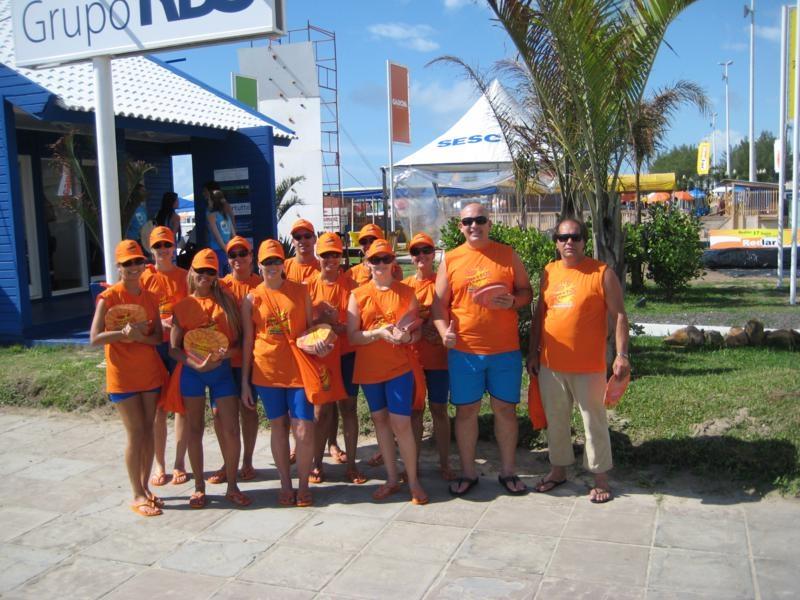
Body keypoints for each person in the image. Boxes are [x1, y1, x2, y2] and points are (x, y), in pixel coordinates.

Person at [432, 202, 532, 496]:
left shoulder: (507, 254)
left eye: (480, 220)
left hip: (505, 351)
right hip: (465, 352)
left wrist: (514, 301)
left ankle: (508, 472)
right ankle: (468, 473)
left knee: (505, 411)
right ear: (460, 227)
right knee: (466, 412)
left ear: (490, 223)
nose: (474, 225)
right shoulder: (451, 259)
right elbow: (438, 305)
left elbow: (526, 292)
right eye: (468, 221)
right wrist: (443, 333)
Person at [528, 217, 630, 504]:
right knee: (556, 420)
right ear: (556, 243)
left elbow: (619, 315)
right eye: (563, 238)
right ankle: (558, 470)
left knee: (593, 422)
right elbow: (540, 315)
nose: (569, 242)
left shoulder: (601, 273)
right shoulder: (549, 271)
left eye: (575, 237)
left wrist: (622, 355)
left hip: (588, 366)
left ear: (585, 241)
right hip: (551, 365)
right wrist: (533, 352)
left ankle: (600, 478)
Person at [347, 238, 428, 505]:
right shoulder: (357, 295)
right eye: (375, 259)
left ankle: (413, 480)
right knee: (380, 420)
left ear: (393, 261)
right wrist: (378, 333)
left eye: (385, 258)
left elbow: (416, 332)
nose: (380, 264)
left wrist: (407, 337)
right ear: (367, 263)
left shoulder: (406, 293)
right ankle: (392, 479)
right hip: (370, 369)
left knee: (401, 423)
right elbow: (353, 336)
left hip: (399, 368)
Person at [240, 240, 321, 508]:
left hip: (299, 370)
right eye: (267, 262)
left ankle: (304, 485)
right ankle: (285, 484)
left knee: (304, 428)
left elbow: (310, 329)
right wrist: (245, 383)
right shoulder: (252, 298)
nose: (272, 266)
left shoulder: (300, 291)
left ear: (283, 263)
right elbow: (248, 341)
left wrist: (321, 344)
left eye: (276, 261)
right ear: (259, 265)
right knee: (278, 426)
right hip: (267, 372)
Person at [170, 249, 251, 508]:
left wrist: (228, 354)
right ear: (192, 272)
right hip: (193, 374)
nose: (205, 275)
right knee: (194, 429)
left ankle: (232, 486)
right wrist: (194, 363)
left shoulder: (226, 303)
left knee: (231, 429)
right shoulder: (183, 306)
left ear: (216, 274)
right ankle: (199, 487)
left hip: (221, 373)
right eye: (200, 270)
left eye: (211, 271)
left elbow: (240, 343)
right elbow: (174, 349)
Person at [90, 240, 165, 517]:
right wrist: (123, 334)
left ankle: (145, 488)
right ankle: (136, 494)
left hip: (149, 374)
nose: (134, 267)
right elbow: (95, 338)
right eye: (127, 263)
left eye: (137, 261)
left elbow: (157, 338)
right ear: (118, 267)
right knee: (135, 433)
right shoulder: (109, 297)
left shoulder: (150, 298)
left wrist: (141, 337)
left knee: (148, 430)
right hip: (122, 376)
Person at [306, 232, 367, 485]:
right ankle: (316, 463)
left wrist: (340, 327)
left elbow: (358, 323)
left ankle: (351, 465)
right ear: (318, 256)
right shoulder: (308, 286)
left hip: (347, 354)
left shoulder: (352, 286)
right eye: (325, 255)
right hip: (321, 356)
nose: (330, 259)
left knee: (348, 408)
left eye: (335, 254)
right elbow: (302, 325)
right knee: (322, 411)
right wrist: (322, 320)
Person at [207, 236, 262, 485]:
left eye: (243, 253)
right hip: (223, 361)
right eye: (233, 255)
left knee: (248, 410)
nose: (238, 258)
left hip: (250, 360)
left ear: (251, 256)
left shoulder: (261, 284)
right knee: (219, 414)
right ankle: (228, 462)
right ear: (227, 260)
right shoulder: (220, 286)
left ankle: (247, 461)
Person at [140, 226, 190, 488]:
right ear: (151, 249)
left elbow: (194, 309)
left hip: (178, 348)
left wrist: (178, 324)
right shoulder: (144, 277)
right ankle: (159, 464)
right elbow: (137, 312)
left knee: (181, 406)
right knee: (158, 408)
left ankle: (179, 462)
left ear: (174, 247)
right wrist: (158, 323)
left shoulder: (185, 277)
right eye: (158, 246)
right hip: (154, 348)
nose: (163, 250)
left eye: (167, 245)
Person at [403, 233, 453, 480]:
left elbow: (452, 314)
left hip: (439, 359)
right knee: (415, 412)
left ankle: (445, 464)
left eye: (426, 250)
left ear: (434, 254)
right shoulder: (405, 287)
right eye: (416, 252)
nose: (421, 255)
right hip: (413, 359)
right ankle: (413, 467)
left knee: (439, 409)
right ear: (411, 257)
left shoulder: (442, 283)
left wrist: (439, 330)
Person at [206, 189, 236, 273]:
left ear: (213, 201)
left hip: (217, 251)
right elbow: (233, 235)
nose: (208, 202)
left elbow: (217, 237)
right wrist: (231, 251)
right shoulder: (226, 215)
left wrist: (226, 251)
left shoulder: (211, 216)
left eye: (209, 199)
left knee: (219, 278)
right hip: (228, 251)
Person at [284, 219, 321, 283]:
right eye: (298, 237)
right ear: (293, 241)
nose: (303, 241)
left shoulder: (322, 268)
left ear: (315, 239)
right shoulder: (284, 267)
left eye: (307, 236)